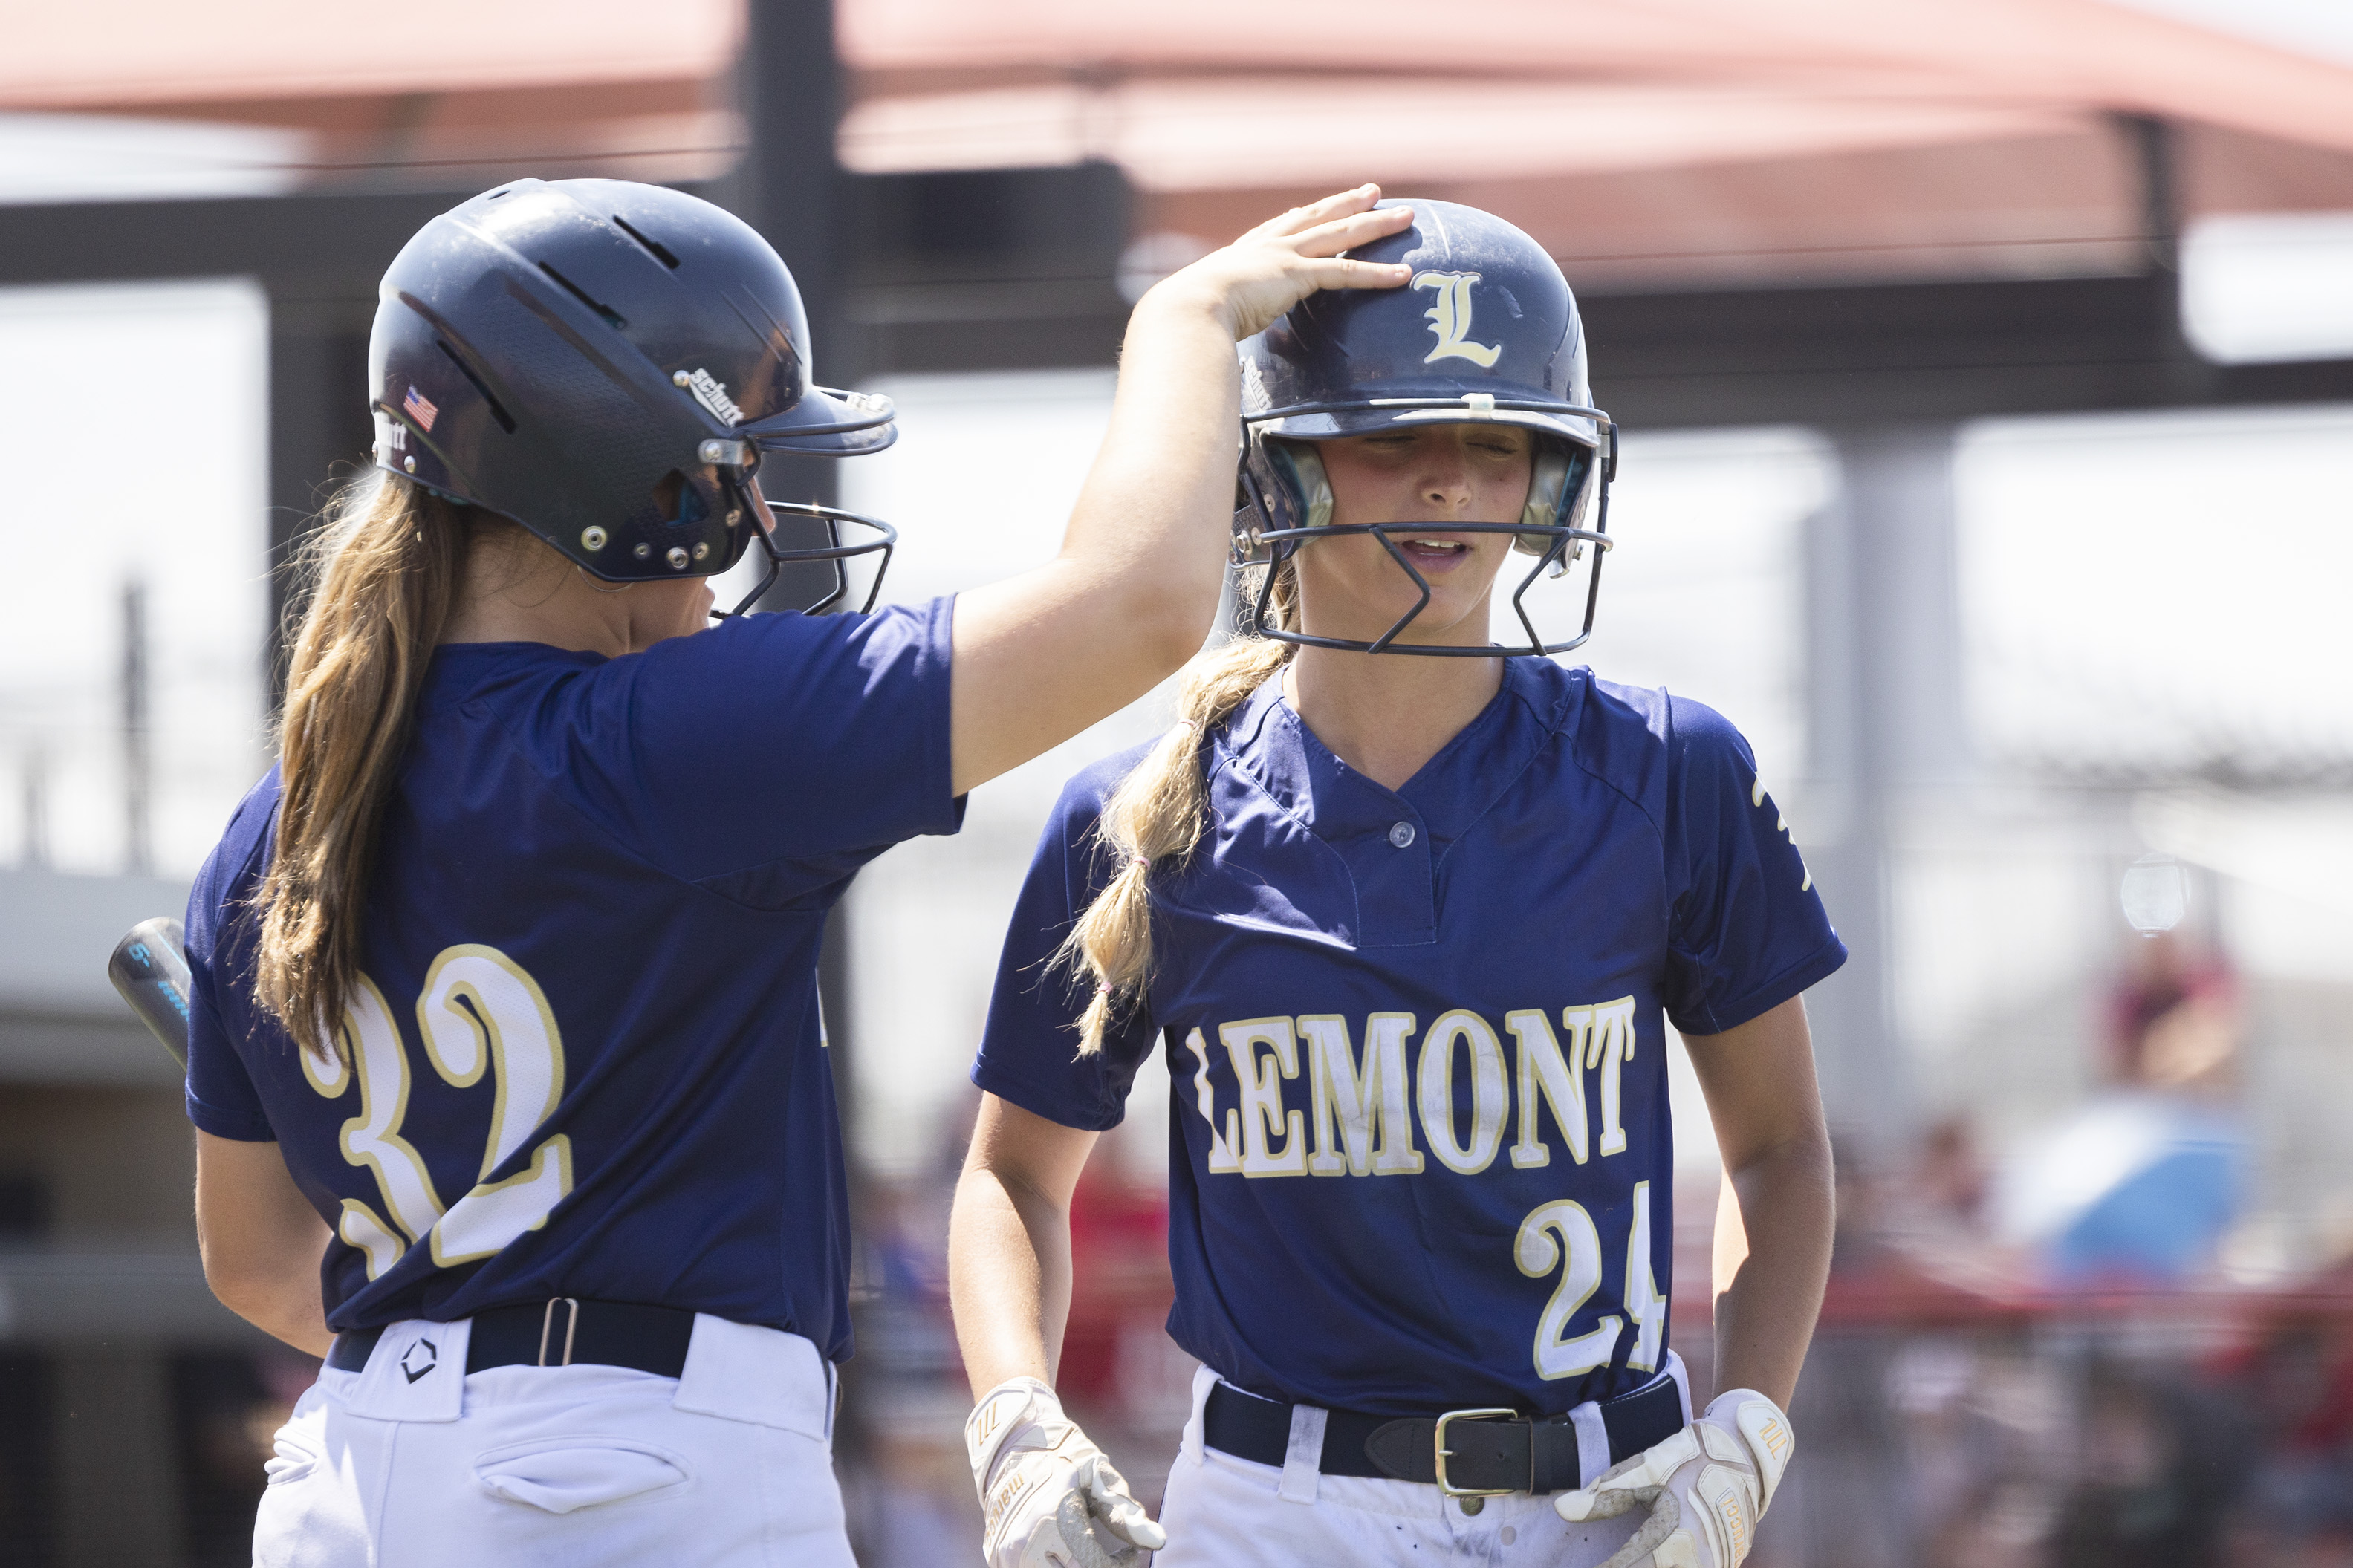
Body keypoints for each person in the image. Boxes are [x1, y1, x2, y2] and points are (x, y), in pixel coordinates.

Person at [182, 175, 1417, 1567]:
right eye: (731, 467)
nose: (754, 512)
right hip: (628, 1482)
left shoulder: (277, 824)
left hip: (349, 1478)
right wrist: (1187, 318)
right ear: (616, 477)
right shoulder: (672, 737)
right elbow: (1135, 602)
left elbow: (260, 1262)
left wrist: (468, 1359)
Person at [950, 200, 1843, 1568]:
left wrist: (1746, 1439)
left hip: (1607, 1503)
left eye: (1497, 446)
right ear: (1283, 473)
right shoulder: (1138, 817)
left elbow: (1780, 1154)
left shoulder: (1672, 773)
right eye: (1391, 441)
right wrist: (1017, 1421)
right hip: (1276, 1506)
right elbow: (1014, 1176)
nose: (1451, 485)